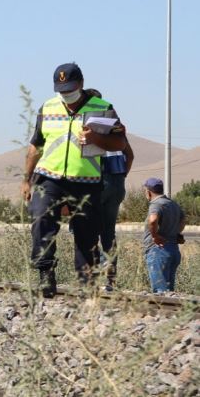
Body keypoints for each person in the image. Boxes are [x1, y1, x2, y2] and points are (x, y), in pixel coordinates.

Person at [21, 63, 127, 298]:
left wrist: (96, 138)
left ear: (81, 84)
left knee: (87, 235)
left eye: (70, 89)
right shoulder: (47, 107)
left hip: (86, 181)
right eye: (61, 90)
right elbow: (35, 146)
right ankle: (45, 272)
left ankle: (86, 285)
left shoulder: (103, 108)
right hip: (49, 177)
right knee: (40, 217)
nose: (66, 94)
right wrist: (26, 179)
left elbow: (120, 143)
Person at [84, 88, 135, 292]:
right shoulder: (116, 127)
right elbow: (130, 155)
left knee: (86, 230)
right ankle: (110, 280)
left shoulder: (86, 127)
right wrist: (121, 177)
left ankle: (92, 278)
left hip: (97, 182)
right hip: (116, 183)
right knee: (108, 233)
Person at [142, 177, 186, 293]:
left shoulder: (156, 204)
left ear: (148, 192)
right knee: (169, 293)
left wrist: (155, 236)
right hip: (173, 251)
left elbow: (153, 220)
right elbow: (183, 221)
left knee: (160, 293)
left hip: (159, 251)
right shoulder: (173, 204)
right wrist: (177, 233)